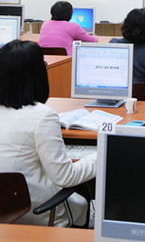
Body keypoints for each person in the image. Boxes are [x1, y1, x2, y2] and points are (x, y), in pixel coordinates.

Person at [0, 40, 96, 227]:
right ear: (37, 76)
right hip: (31, 211)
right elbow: (66, 177)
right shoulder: (42, 116)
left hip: (5, 208)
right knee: (83, 201)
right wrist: (100, 155)